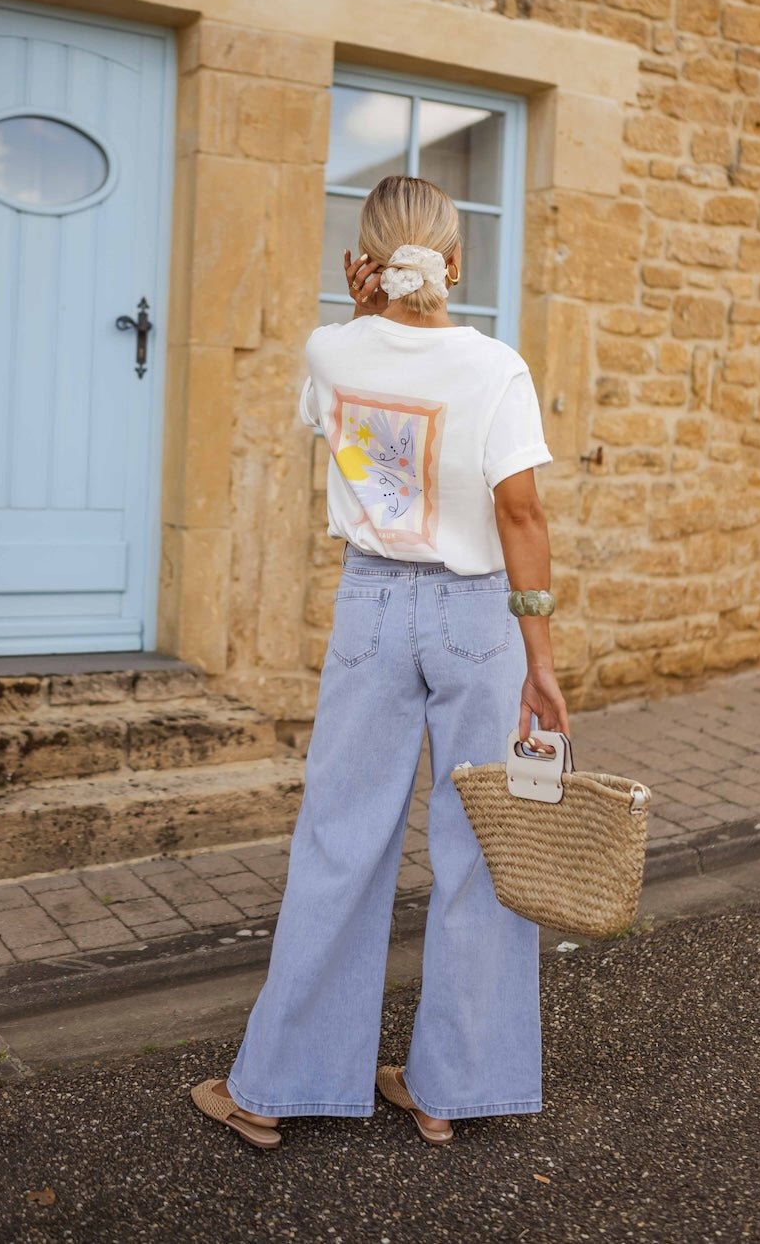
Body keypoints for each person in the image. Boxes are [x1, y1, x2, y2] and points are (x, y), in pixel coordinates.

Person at [192, 174, 569, 1149]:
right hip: (478, 619)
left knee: (339, 843)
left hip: (370, 607)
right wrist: (543, 656)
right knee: (483, 851)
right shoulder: (495, 368)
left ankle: (275, 1089)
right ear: (456, 261)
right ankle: (449, 1095)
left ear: (363, 260)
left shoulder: (332, 346)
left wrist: (359, 315)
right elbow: (521, 513)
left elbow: (326, 409)